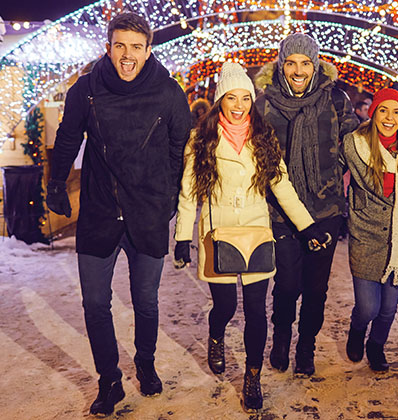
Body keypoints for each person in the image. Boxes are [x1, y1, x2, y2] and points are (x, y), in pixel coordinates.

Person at [45, 12, 191, 416]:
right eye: (120, 45)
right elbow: (68, 138)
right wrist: (56, 185)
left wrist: (168, 201)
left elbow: (180, 147)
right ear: (108, 47)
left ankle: (145, 362)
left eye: (136, 47)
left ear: (148, 50)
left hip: (147, 213)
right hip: (99, 211)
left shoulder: (168, 92)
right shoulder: (87, 89)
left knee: (145, 301)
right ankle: (109, 380)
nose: (127, 55)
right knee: (95, 303)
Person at [173, 62, 329, 412]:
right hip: (219, 234)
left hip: (257, 234)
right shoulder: (202, 139)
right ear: (220, 100)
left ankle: (252, 378)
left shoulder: (263, 136)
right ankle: (216, 335)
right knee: (225, 306)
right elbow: (187, 192)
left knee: (257, 310)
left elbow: (281, 186)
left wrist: (307, 226)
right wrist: (182, 236)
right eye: (232, 97)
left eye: (246, 97)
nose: (240, 104)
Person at [254, 33, 359, 376]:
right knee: (286, 284)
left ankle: (306, 345)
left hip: (324, 209)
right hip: (281, 212)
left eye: (305, 63)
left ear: (315, 66)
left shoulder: (336, 101)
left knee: (315, 288)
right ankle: (282, 334)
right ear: (280, 64)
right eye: (291, 62)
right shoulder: (264, 104)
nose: (298, 70)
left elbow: (356, 146)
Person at [341, 88, 398, 371]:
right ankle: (357, 328)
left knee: (388, 308)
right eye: (384, 110)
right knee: (368, 307)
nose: (390, 118)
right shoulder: (355, 144)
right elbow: (329, 171)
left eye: (397, 112)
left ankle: (376, 346)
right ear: (374, 112)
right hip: (366, 234)